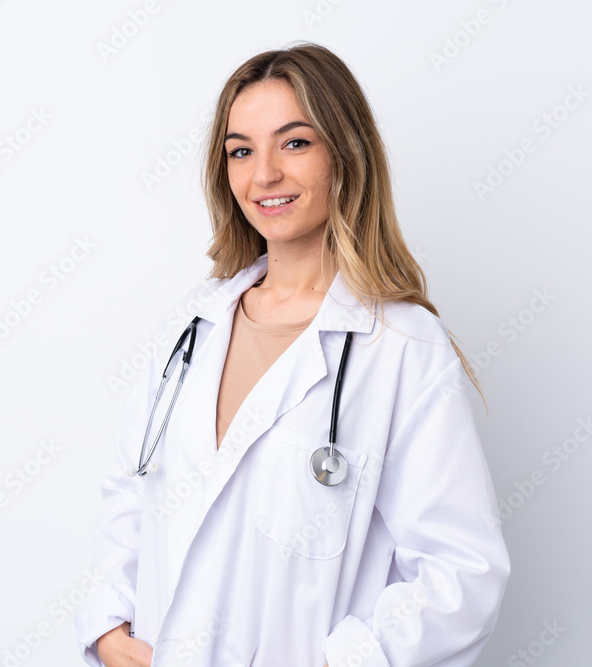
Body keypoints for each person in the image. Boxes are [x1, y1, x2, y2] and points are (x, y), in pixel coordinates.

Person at [75, 41, 510, 667]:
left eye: (295, 142)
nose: (264, 175)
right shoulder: (192, 327)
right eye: (241, 151)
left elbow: (461, 576)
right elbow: (130, 492)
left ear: (347, 155)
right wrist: (109, 628)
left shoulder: (402, 346)